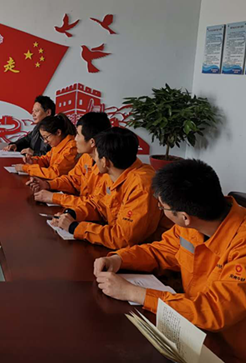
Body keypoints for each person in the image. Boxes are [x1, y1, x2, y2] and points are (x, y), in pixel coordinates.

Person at [94, 160, 246, 360]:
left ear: (184, 217)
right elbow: (161, 251)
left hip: (228, 350)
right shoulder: (193, 222)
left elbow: (213, 310)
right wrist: (119, 258)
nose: (160, 210)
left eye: (162, 207)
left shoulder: (241, 244)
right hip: (191, 328)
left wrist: (132, 292)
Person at [50, 127, 169, 250]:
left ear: (105, 162)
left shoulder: (142, 185)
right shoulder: (114, 173)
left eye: (95, 155)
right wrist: (72, 213)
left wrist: (75, 227)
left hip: (144, 252)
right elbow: (100, 205)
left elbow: (123, 238)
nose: (93, 159)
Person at [30, 112, 111, 216]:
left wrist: (55, 197)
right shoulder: (86, 157)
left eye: (78, 135)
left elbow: (95, 206)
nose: (75, 138)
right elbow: (73, 180)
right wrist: (48, 184)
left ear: (92, 142)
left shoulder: (109, 168)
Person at [15, 114, 78, 179]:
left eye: (46, 137)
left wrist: (26, 168)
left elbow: (54, 173)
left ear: (58, 132)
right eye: (43, 138)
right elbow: (46, 160)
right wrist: (33, 161)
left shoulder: (71, 148)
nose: (45, 141)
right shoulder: (57, 145)